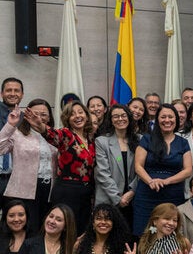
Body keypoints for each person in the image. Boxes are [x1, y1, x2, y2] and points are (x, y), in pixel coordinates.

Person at [25, 101, 95, 235]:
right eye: (72, 114)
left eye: (81, 112)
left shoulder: (90, 139)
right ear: (67, 119)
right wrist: (41, 126)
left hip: (86, 192)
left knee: (82, 231)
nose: (77, 116)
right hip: (67, 190)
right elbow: (51, 134)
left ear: (86, 116)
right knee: (65, 231)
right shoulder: (66, 134)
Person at [133, 104, 193, 235]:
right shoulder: (147, 139)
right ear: (157, 119)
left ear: (176, 120)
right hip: (147, 194)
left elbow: (188, 170)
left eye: (171, 117)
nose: (167, 120)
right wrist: (151, 181)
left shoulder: (183, 142)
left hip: (173, 195)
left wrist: (167, 181)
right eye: (163, 117)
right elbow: (138, 166)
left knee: (171, 235)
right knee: (145, 234)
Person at [0, 100, 57, 230]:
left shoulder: (55, 136)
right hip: (24, 191)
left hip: (49, 190)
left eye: (44, 114)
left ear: (50, 117)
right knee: (27, 229)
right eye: (35, 113)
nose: (39, 117)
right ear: (27, 115)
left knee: (44, 228)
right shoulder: (18, 134)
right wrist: (10, 125)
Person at [95, 104, 139, 229]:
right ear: (111, 120)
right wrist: (118, 198)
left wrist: (131, 192)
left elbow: (142, 169)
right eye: (116, 116)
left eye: (123, 115)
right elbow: (102, 173)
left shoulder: (140, 140)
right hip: (110, 199)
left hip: (133, 200)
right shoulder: (102, 142)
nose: (120, 119)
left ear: (129, 118)